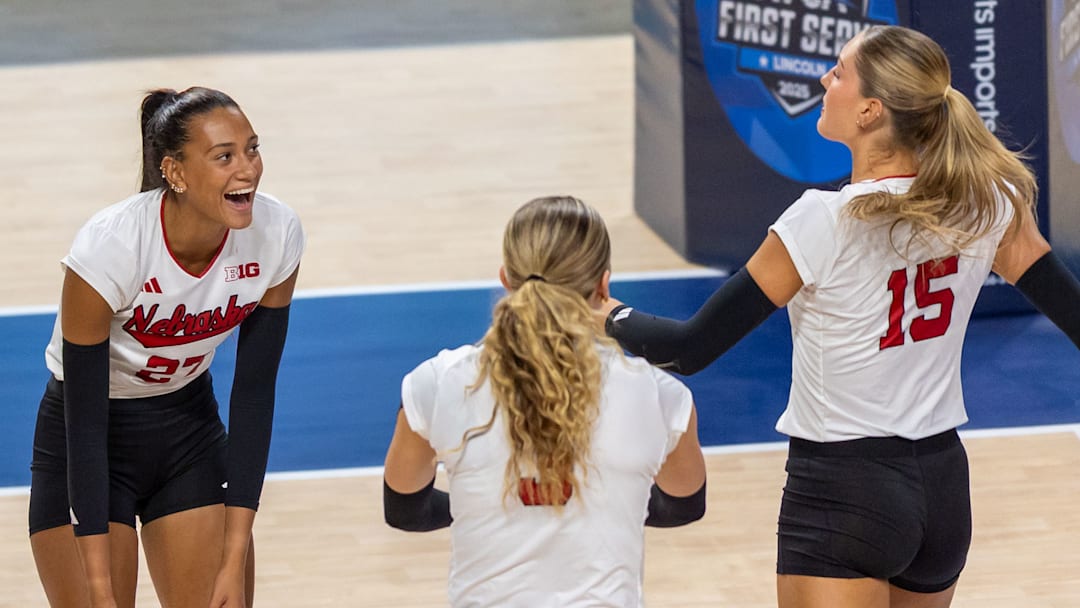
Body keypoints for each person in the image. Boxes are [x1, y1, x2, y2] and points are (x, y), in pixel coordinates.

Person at [601, 25, 1080, 608]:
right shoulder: (989, 203)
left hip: (842, 492)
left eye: (838, 72)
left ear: (871, 111)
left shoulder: (822, 221)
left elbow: (691, 348)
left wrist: (606, 312)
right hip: (943, 488)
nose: (825, 80)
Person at [29, 86, 305, 608]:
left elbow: (253, 396)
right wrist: (98, 588)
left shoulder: (277, 233)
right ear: (174, 173)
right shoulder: (109, 247)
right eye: (224, 156)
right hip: (87, 439)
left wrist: (234, 553)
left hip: (186, 433)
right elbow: (85, 422)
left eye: (252, 148)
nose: (247, 168)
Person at [382, 196, 707, 607]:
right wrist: (600, 499)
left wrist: (489, 501)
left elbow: (404, 509)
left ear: (505, 277)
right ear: (604, 286)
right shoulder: (660, 397)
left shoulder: (438, 383)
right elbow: (683, 505)